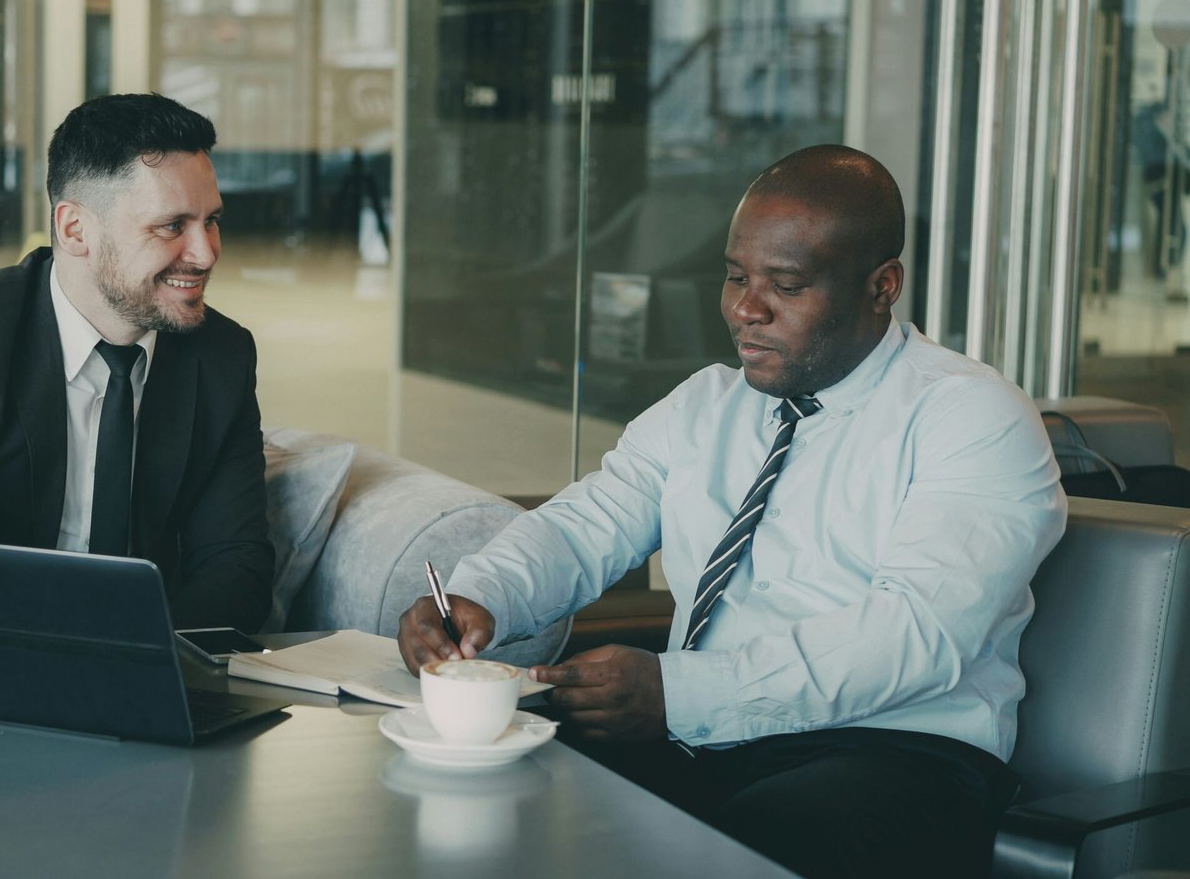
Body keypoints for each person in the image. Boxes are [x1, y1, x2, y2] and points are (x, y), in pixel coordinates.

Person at [397, 145, 1066, 878]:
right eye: (736, 277)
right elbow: (585, 524)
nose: (747, 309)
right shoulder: (706, 403)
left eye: (787, 285)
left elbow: (916, 636)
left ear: (882, 287)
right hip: (698, 735)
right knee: (488, 793)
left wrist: (679, 693)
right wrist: (479, 593)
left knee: (737, 848)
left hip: (895, 751)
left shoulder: (971, 416)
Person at [0, 93, 274, 648]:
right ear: (75, 229)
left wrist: (135, 661)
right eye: (171, 226)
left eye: (212, 221)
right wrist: (52, 657)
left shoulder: (220, 356)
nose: (205, 253)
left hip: (128, 672)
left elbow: (236, 564)